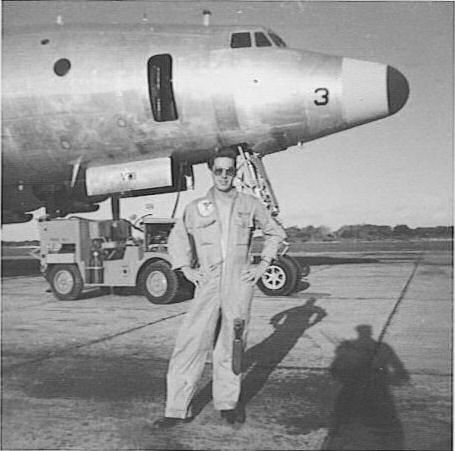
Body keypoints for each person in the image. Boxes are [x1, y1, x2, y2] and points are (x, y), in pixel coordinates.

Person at [154, 147, 286, 427]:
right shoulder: (196, 208)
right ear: (211, 172)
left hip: (239, 284)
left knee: (231, 346)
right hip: (208, 284)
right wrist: (186, 269)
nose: (224, 176)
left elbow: (275, 232)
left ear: (235, 172)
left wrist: (262, 265)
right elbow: (178, 239)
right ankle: (176, 409)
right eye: (219, 171)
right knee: (190, 344)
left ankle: (228, 404)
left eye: (229, 171)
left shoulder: (250, 204)